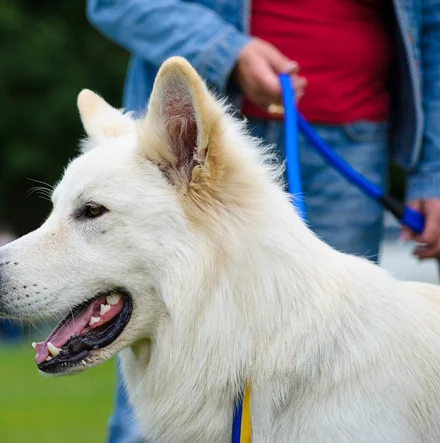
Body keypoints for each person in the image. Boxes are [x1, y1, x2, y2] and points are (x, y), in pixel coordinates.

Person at [86, 1, 440, 441]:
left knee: (346, 387)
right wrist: (225, 51)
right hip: (189, 138)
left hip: (353, 134)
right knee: (162, 357)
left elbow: (432, 23)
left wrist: (434, 171)